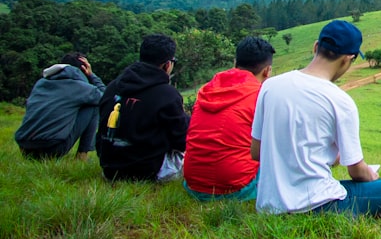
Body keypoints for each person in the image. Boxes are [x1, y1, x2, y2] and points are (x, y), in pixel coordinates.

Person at [250, 20, 381, 217]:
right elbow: (356, 172)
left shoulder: (270, 86)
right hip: (317, 205)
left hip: (269, 206)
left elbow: (256, 152)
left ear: (316, 46)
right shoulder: (341, 101)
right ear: (348, 59)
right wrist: (372, 175)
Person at [182, 36, 275, 201]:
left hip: (193, 185)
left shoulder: (207, 89)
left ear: (235, 62)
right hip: (236, 189)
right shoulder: (260, 96)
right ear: (267, 71)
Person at [97, 33, 188, 182]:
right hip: (147, 171)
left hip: (110, 168)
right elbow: (181, 141)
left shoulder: (113, 87)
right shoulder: (167, 94)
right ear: (167, 64)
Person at [15, 52, 107, 160]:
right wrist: (92, 75)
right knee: (93, 105)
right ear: (84, 68)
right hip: (53, 148)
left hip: (24, 149)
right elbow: (107, 98)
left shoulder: (41, 83)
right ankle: (82, 155)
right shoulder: (80, 87)